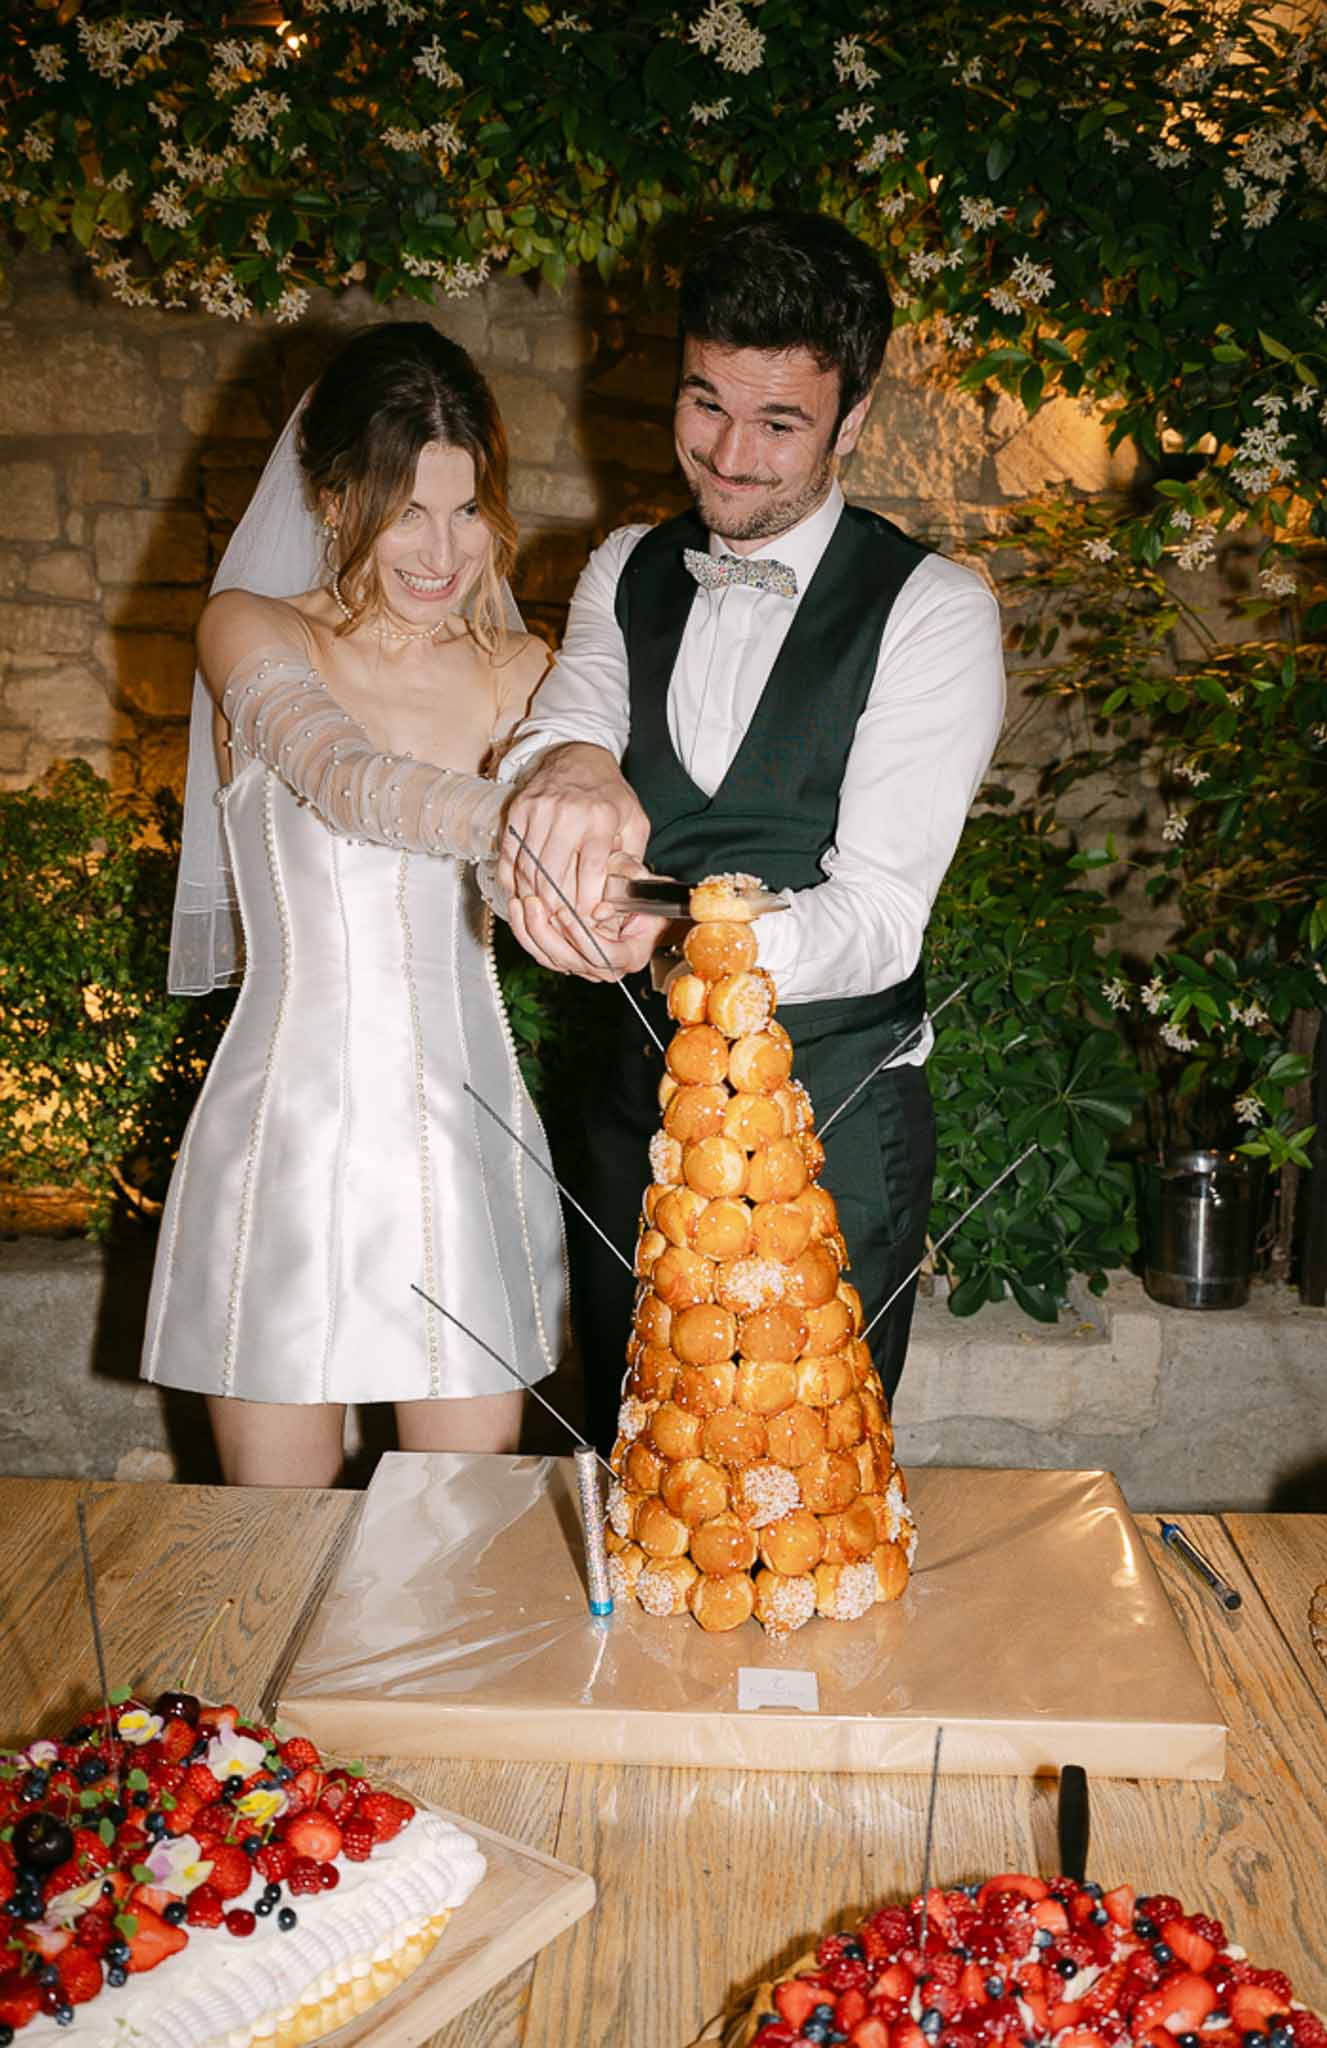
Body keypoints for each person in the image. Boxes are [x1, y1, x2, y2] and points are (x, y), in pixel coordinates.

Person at [497, 211, 1006, 1454]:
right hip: (634, 1119)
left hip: (827, 1128)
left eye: (779, 423)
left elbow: (879, 919)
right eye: (705, 403)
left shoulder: (933, 610)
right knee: (633, 1466)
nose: (727, 457)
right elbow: (564, 721)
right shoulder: (626, 564)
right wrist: (567, 764)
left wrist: (678, 936)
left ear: (853, 418)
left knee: (803, 1484)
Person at [141, 322, 567, 1487]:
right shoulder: (250, 628)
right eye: (405, 511)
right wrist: (527, 820)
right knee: (272, 1542)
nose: (443, 550)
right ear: (334, 500)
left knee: (458, 1535)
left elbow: (561, 901)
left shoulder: (526, 671)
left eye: (466, 510)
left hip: (465, 1141)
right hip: (288, 1137)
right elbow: (345, 781)